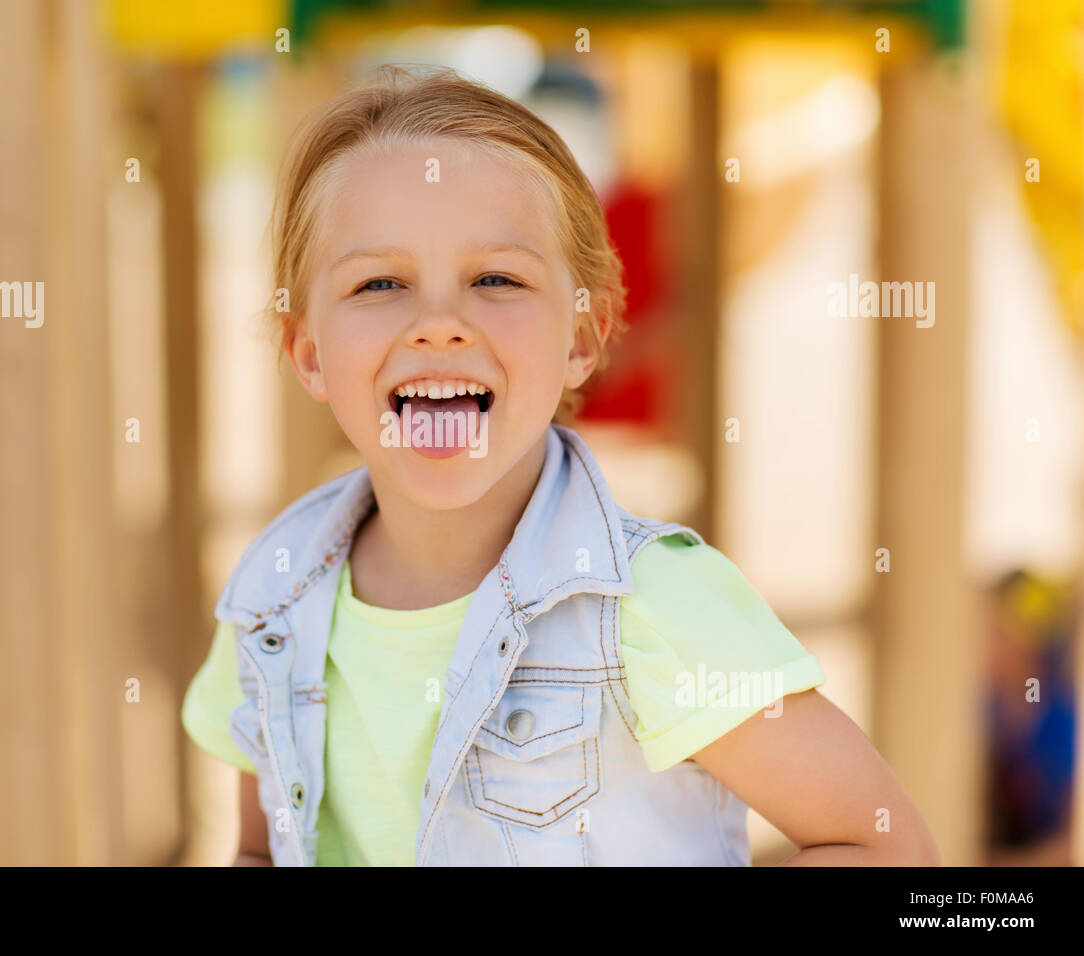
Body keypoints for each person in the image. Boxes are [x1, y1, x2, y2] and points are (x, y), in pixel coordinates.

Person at [181, 65, 939, 867]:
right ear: (308, 353)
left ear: (582, 338)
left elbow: (885, 846)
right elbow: (261, 852)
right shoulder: (271, 600)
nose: (439, 324)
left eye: (496, 279)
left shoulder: (653, 607)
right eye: (380, 283)